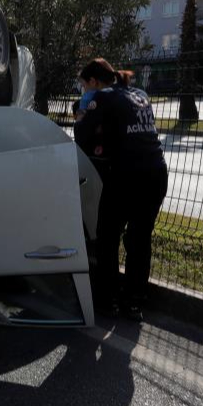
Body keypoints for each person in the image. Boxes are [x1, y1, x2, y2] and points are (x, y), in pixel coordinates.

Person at [74, 58, 168, 321]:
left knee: (107, 237)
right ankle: (135, 302)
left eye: (83, 85)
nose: (83, 91)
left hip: (128, 176)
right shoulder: (139, 93)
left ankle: (107, 299)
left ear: (93, 82)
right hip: (157, 173)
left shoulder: (101, 97)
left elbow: (82, 135)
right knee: (140, 239)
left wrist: (82, 112)